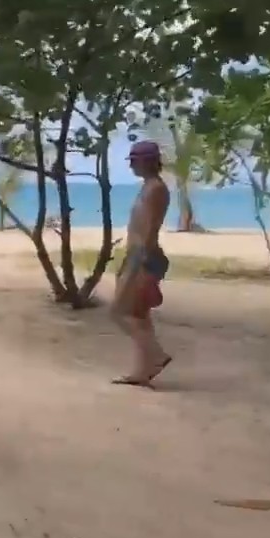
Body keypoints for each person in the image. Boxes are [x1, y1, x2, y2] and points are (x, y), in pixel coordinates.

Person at [111, 140, 173, 388]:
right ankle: (143, 370)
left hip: (144, 255)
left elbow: (150, 228)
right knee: (139, 315)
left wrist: (140, 261)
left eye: (134, 161)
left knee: (119, 312)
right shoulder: (148, 186)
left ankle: (156, 355)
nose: (131, 166)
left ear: (148, 161)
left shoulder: (156, 189)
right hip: (136, 253)